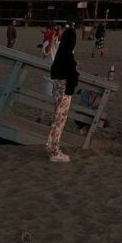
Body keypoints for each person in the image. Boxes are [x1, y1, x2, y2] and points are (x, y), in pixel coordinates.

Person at [46, 27, 79, 163]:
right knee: (60, 120)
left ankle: (51, 147)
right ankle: (54, 150)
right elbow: (72, 76)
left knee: (56, 118)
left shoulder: (60, 52)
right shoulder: (68, 55)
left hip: (57, 88)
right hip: (65, 91)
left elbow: (53, 70)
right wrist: (75, 70)